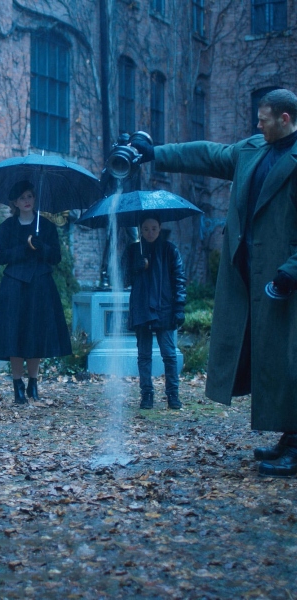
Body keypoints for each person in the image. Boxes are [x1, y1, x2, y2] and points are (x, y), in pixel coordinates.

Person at [130, 88, 297, 476]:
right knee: (270, 360)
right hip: (250, 280)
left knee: (289, 361)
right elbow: (206, 154)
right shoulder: (252, 150)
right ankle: (288, 438)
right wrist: (154, 152)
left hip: (284, 277)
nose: (257, 123)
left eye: (264, 117)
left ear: (285, 119)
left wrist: (291, 270)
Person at [0, 181, 72, 403]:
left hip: (40, 286)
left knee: (36, 333)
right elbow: (1, 257)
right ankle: (17, 384)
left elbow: (56, 258)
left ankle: (33, 382)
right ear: (15, 201)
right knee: (15, 334)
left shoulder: (47, 227)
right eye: (22, 197)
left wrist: (42, 247)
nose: (26, 201)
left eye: (30, 196)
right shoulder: (7, 227)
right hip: (14, 286)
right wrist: (25, 247)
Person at [122, 215, 186, 410]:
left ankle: (173, 394)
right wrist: (136, 266)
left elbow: (179, 279)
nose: (150, 232)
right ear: (141, 229)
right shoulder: (133, 250)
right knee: (144, 354)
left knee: (169, 354)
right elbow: (123, 278)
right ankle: (147, 394)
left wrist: (179, 307)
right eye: (146, 229)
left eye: (154, 228)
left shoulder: (169, 250)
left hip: (164, 307)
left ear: (160, 228)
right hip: (141, 307)